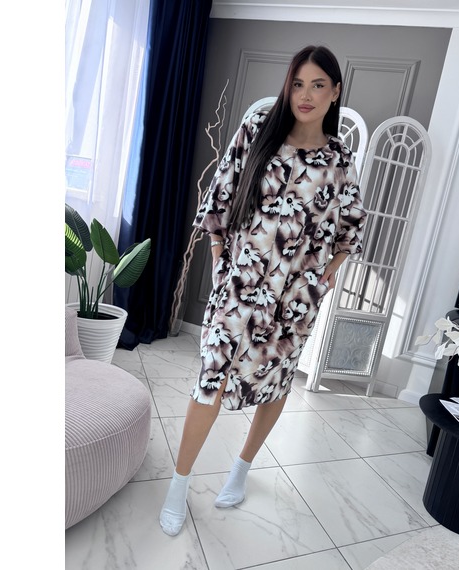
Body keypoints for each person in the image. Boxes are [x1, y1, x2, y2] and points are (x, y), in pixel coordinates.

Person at [159, 45, 366, 536]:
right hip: (238, 287)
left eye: (318, 85)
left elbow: (352, 227)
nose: (305, 95)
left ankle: (241, 468)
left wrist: (325, 275)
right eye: (298, 84)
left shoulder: (339, 159)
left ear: (335, 91)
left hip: (295, 301)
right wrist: (218, 257)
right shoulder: (257, 131)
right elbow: (221, 195)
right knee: (211, 379)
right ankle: (178, 485)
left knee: (277, 381)